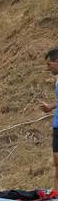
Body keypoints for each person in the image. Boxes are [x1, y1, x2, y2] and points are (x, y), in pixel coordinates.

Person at [40, 48, 58, 191]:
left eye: (49, 64)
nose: (48, 68)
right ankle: (56, 198)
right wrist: (51, 107)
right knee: (57, 164)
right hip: (57, 125)